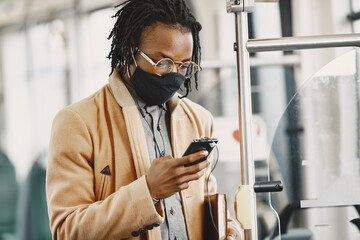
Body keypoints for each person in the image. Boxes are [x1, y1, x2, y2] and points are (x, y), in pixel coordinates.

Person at [46, 0, 242, 239]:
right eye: (163, 63)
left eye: (184, 66)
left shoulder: (198, 119)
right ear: (130, 51)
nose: (174, 74)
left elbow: (204, 204)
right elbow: (67, 230)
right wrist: (148, 191)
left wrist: (229, 230)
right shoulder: (77, 122)